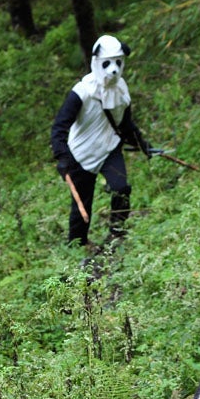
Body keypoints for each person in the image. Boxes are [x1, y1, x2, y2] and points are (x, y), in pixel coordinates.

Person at [50, 34, 152, 247]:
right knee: (82, 206)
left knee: (121, 188)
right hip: (81, 153)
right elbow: (59, 128)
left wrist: (142, 144)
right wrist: (63, 158)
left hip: (109, 148)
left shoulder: (121, 89)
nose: (113, 68)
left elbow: (125, 123)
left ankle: (118, 232)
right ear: (96, 62)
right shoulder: (82, 91)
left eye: (118, 62)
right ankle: (78, 244)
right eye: (107, 63)